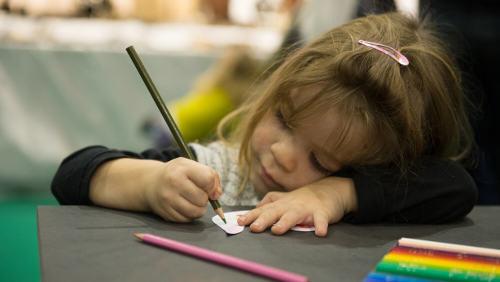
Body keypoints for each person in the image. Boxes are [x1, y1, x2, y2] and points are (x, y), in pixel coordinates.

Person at [52, 12, 477, 237]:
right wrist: (150, 184)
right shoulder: (222, 171)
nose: (281, 153)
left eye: (320, 160)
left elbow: (457, 186)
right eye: (283, 119)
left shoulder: (369, 186)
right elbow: (73, 173)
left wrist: (337, 193)